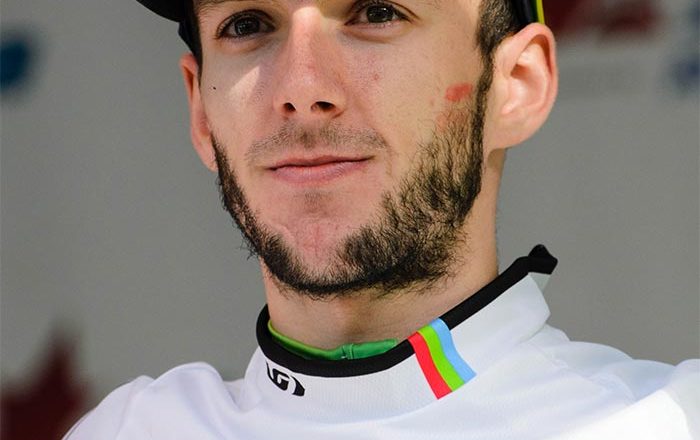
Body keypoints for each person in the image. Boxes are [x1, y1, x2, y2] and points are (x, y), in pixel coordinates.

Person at [65, 0, 699, 438]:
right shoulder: (127, 432)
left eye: (376, 12)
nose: (302, 87)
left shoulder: (667, 422)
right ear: (201, 113)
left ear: (517, 84)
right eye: (247, 24)